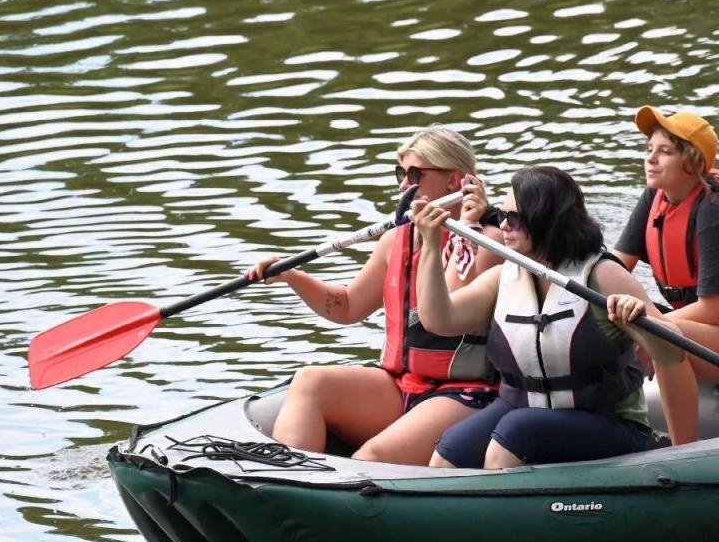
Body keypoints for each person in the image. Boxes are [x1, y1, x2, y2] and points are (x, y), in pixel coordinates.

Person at [245, 127, 501, 462]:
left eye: (414, 174)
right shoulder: (396, 240)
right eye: (400, 173)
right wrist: (293, 276)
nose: (403, 185)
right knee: (310, 380)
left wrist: (464, 229)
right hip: (401, 384)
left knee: (370, 459)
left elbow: (445, 311)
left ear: (454, 181)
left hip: (464, 394)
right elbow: (347, 306)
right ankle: (278, 486)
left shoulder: (491, 242)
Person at [414, 165, 689, 469]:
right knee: (448, 454)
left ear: (547, 221)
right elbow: (440, 320)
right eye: (502, 215)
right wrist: (429, 245)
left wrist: (640, 322)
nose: (503, 226)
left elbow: (674, 351)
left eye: (514, 218)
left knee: (513, 436)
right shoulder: (503, 277)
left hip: (605, 419)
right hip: (520, 408)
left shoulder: (603, 275)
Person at [612, 105, 719, 442]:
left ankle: (683, 449)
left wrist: (646, 325)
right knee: (620, 319)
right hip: (697, 327)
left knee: (651, 328)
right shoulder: (654, 197)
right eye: (649, 150)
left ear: (695, 163)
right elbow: (613, 267)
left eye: (665, 152)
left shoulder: (714, 209)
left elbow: (712, 311)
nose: (650, 159)